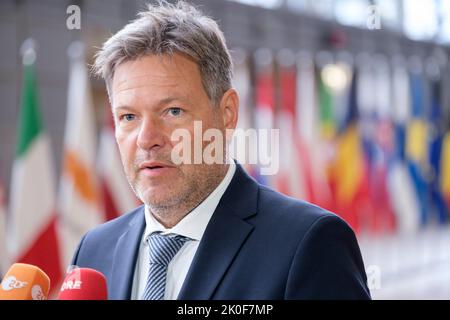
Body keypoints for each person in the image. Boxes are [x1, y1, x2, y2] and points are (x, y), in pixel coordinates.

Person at [71, 1, 371, 300]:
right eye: (128, 117)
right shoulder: (93, 251)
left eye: (173, 111)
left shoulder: (310, 244)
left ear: (227, 113)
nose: (147, 138)